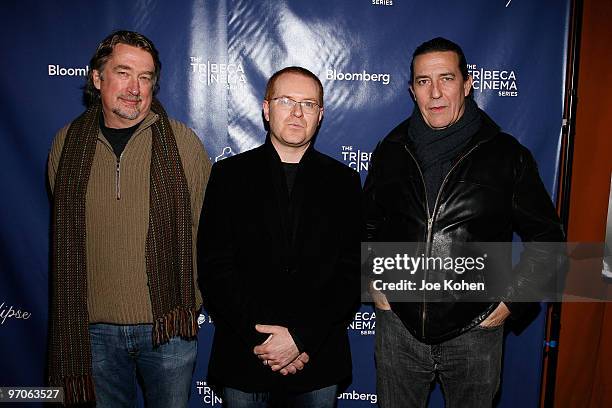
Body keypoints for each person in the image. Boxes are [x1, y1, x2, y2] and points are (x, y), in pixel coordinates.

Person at [364, 37, 565, 407]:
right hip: (399, 328)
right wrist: (376, 286)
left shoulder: (507, 156)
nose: (436, 92)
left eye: (447, 78)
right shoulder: (391, 151)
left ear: (467, 84)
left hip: (475, 331)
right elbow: (368, 226)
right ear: (412, 90)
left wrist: (508, 306)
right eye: (424, 81)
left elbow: (548, 239)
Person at [47, 30, 211, 406]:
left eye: (145, 77)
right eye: (123, 72)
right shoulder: (65, 144)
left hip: (169, 327)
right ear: (97, 77)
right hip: (91, 331)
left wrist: (193, 299)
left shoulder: (183, 143)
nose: (134, 88)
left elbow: (206, 231)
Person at [198, 66, 361, 407]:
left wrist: (300, 339)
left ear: (321, 115)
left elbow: (350, 273)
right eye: (286, 101)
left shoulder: (344, 182)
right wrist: (269, 343)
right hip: (245, 355)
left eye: (309, 103)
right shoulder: (229, 176)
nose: (298, 112)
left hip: (317, 360)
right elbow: (216, 268)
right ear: (267, 108)